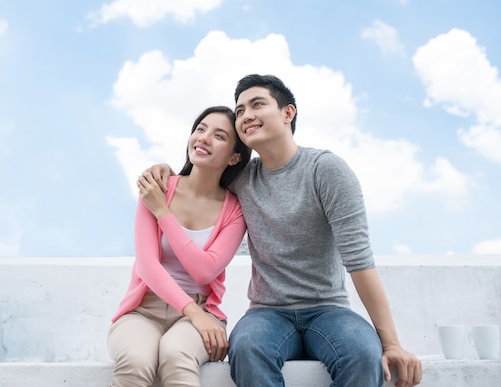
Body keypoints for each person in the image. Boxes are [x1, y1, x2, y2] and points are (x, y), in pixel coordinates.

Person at [142, 74, 423, 387]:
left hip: (329, 309)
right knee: (247, 349)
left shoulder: (326, 170)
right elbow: (197, 177)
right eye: (240, 111)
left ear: (288, 113)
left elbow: (358, 259)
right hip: (267, 312)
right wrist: (162, 170)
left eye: (257, 104)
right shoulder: (240, 179)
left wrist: (392, 344)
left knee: (362, 354)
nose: (246, 115)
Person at [107, 106, 251, 387]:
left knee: (176, 356)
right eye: (200, 129)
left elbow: (204, 271)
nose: (204, 138)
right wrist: (195, 314)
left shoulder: (235, 211)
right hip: (142, 309)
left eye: (219, 135)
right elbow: (148, 266)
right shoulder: (157, 187)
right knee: (135, 362)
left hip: (201, 309)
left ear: (234, 157)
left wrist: (163, 213)